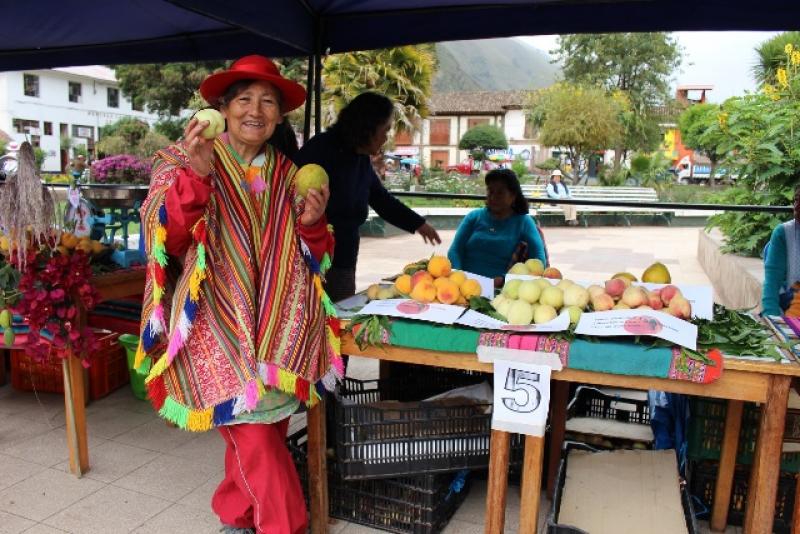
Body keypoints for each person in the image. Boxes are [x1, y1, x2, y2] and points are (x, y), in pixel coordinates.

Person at [134, 55, 340, 534]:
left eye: (268, 102)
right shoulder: (180, 159)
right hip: (214, 323)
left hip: (279, 328)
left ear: (280, 116)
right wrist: (197, 175)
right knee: (258, 442)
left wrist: (313, 225)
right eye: (244, 99)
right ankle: (285, 527)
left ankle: (235, 515)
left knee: (262, 434)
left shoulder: (289, 174)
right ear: (223, 108)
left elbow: (316, 256)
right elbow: (166, 240)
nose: (255, 110)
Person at [296, 92, 441, 302]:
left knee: (340, 313)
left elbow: (380, 199)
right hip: (310, 260)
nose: (386, 138)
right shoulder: (319, 151)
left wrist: (418, 224)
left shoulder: (360, 157)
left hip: (344, 259)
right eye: (386, 130)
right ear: (368, 127)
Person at [448, 168, 547, 286]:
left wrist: (505, 280)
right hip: (464, 285)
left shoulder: (524, 222)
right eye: (490, 191)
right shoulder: (474, 217)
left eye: (500, 192)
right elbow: (455, 250)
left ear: (513, 196)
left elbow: (539, 260)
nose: (493, 197)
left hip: (500, 289)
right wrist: (458, 276)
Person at [762, 184, 800, 316]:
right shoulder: (784, 233)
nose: (796, 207)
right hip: (791, 302)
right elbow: (772, 282)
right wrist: (771, 316)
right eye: (796, 200)